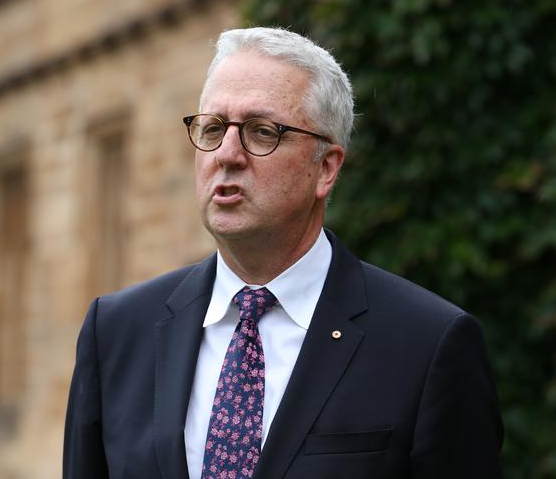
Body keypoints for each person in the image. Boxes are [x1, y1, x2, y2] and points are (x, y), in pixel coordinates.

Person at [63, 27, 503, 479]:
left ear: (326, 168)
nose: (227, 154)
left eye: (261, 132)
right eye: (213, 128)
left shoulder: (427, 344)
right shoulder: (116, 331)